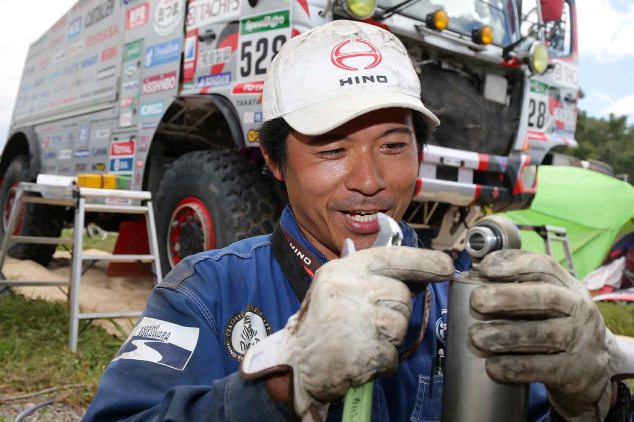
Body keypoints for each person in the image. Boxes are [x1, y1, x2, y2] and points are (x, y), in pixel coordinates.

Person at [85, 20, 629, 421]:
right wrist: (278, 388)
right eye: (332, 150)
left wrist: (592, 402)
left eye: (394, 145)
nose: (370, 179)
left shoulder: (472, 298)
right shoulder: (207, 291)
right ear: (273, 161)